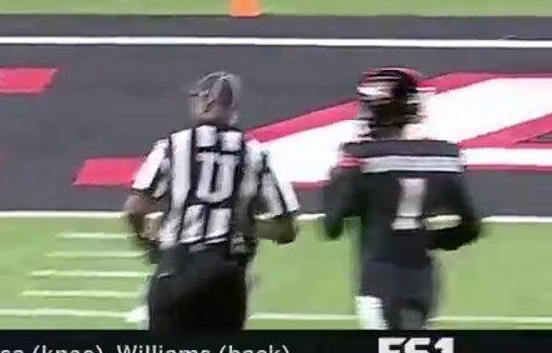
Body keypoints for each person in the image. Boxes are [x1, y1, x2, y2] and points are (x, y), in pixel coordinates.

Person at [125, 71, 300, 333]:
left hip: (176, 270)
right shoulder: (254, 153)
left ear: (207, 102)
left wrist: (146, 241)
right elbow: (287, 229)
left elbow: (135, 208)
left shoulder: (173, 145)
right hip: (226, 277)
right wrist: (245, 226)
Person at [323, 67, 482, 329]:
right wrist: (426, 238)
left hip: (379, 279)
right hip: (423, 281)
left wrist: (338, 181)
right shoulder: (443, 156)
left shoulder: (360, 157)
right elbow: (471, 227)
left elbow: (332, 225)